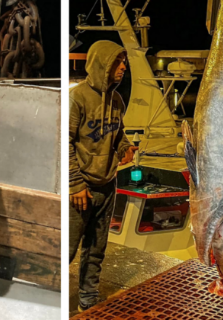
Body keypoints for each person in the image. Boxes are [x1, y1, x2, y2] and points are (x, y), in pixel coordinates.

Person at [69, 40, 138, 311]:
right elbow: (64, 142)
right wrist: (75, 184)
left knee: (96, 250)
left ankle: (88, 300)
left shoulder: (117, 100)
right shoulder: (78, 98)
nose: (123, 68)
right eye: (117, 63)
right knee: (67, 249)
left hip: (107, 185)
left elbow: (118, 132)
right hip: (81, 189)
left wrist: (124, 146)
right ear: (102, 65)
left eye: (124, 63)